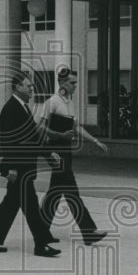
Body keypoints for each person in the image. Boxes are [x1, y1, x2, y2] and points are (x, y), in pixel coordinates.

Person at [0, 72, 62, 258]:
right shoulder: (10, 109)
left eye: (32, 85)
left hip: (24, 167)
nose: (32, 88)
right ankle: (41, 245)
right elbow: (7, 141)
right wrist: (11, 167)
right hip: (19, 168)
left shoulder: (22, 107)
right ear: (17, 87)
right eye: (28, 85)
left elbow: (32, 137)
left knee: (11, 204)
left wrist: (49, 153)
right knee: (31, 206)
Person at [40, 66, 110, 245]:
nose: (75, 86)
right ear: (62, 83)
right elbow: (40, 127)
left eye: (75, 83)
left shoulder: (69, 103)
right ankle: (88, 232)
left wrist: (95, 141)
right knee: (71, 191)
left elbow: (76, 127)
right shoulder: (52, 102)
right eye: (72, 83)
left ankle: (39, 229)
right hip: (56, 150)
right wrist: (57, 140)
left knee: (55, 193)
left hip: (65, 149)